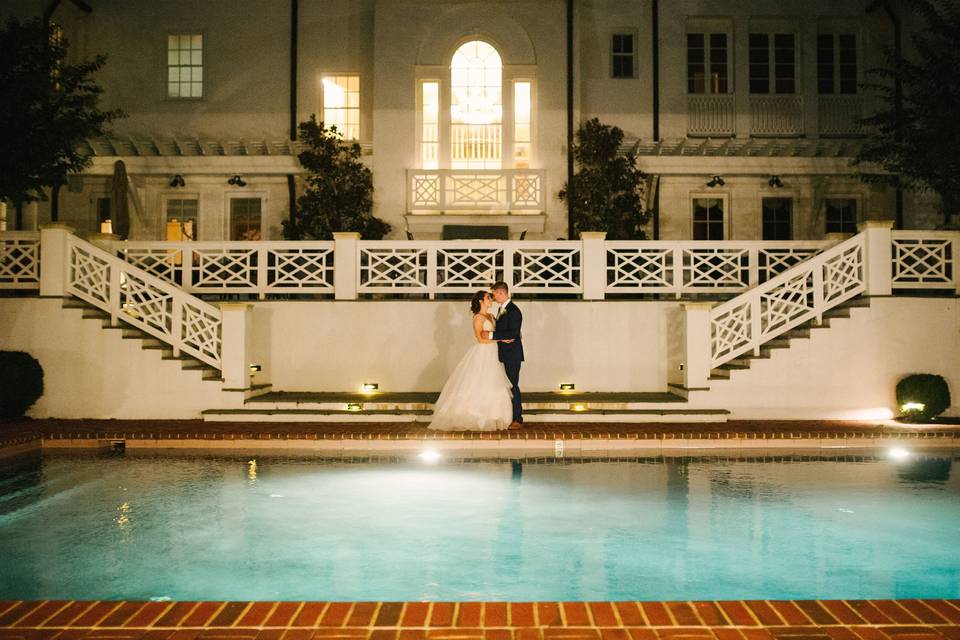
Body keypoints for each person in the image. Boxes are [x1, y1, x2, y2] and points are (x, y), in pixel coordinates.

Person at [427, 290, 515, 431]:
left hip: (493, 353)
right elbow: (480, 339)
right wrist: (501, 339)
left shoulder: (491, 316)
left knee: (493, 383)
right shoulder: (478, 318)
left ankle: (495, 415)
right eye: (488, 298)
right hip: (483, 353)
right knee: (478, 381)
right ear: (481, 301)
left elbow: (496, 332)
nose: (491, 300)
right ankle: (475, 415)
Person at [484, 281, 524, 429]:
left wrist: (490, 335)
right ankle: (507, 415)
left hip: (512, 355)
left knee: (512, 386)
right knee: (505, 386)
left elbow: (513, 333)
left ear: (501, 293)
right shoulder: (502, 309)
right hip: (503, 353)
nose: (493, 298)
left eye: (494, 294)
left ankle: (518, 419)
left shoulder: (513, 310)